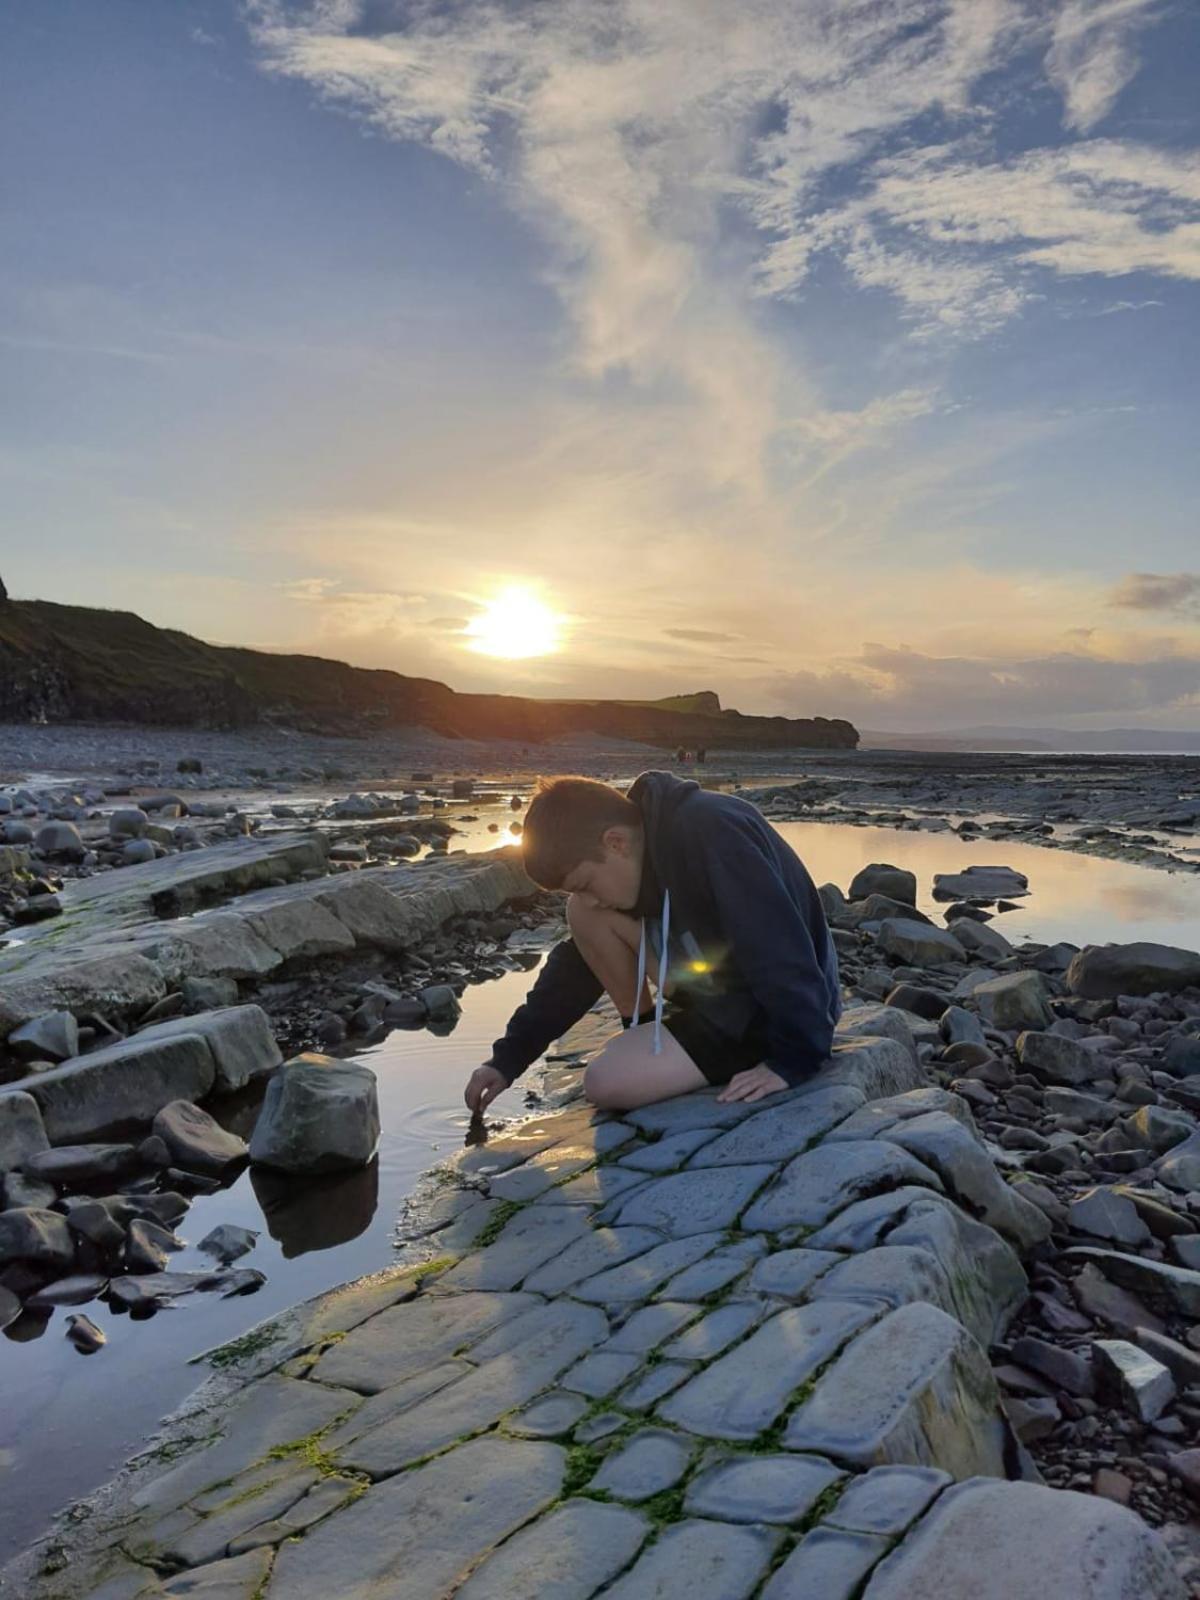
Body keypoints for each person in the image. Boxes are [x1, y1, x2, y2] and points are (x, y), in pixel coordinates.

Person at [464, 770, 841, 1116]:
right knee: (582, 912)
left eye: (586, 882)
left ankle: (674, 1049)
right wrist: (507, 1059)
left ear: (615, 843)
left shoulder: (714, 831)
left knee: (605, 1083)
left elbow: (777, 944)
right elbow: (577, 968)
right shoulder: (645, 843)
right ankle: (644, 1031)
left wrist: (795, 1058)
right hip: (716, 991)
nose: (593, 897)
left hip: (763, 1014)